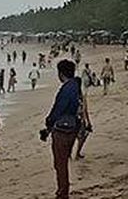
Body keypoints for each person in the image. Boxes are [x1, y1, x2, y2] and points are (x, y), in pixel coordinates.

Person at [44, 60, 81, 199]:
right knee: (62, 161)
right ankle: (63, 189)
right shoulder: (76, 85)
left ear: (61, 73)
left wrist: (48, 122)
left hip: (62, 129)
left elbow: (58, 109)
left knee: (60, 163)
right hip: (73, 127)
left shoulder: (66, 89)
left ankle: (62, 192)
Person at [74, 78, 93, 160]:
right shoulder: (82, 96)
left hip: (74, 119)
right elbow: (85, 110)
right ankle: (77, 153)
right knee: (82, 137)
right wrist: (88, 121)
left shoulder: (71, 95)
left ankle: (73, 153)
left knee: (74, 137)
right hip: (80, 119)